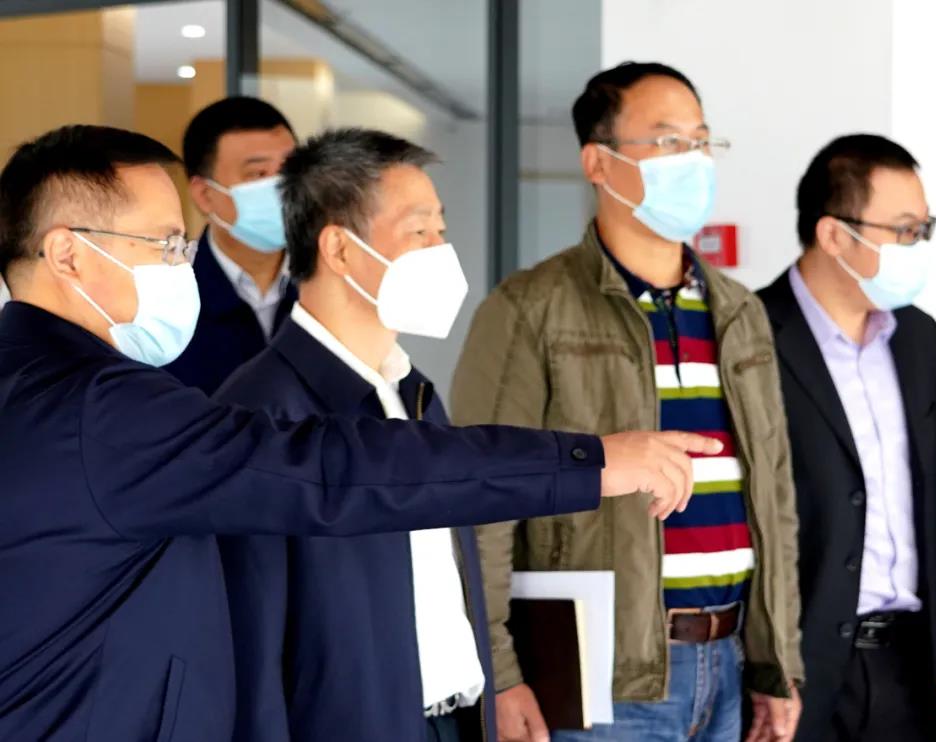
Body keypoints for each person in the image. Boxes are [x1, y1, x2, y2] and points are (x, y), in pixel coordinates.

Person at [0, 124, 718, 742]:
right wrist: (591, 461)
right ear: (68, 254)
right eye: (164, 245)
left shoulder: (37, 385)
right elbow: (334, 474)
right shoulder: (102, 406)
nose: (182, 266)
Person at [452, 62, 804, 742]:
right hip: (601, 679)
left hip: (730, 666)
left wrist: (776, 663)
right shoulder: (530, 308)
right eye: (669, 142)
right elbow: (481, 497)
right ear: (598, 162)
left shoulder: (740, 312)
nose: (694, 161)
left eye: (702, 141)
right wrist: (499, 672)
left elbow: (775, 499)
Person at [217, 128, 509, 742]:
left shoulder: (414, 392)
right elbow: (248, 646)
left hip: (454, 720)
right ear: (339, 249)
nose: (441, 251)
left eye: (441, 229)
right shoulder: (262, 413)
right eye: (419, 231)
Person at [757, 134, 936, 742]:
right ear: (834, 235)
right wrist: (763, 664)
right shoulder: (751, 334)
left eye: (923, 230)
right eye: (905, 230)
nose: (918, 247)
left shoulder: (916, 337)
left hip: (906, 659)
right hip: (796, 667)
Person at [164, 97, 297, 394]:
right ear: (205, 195)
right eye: (259, 174)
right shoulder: (169, 305)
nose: (284, 187)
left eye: (291, 168)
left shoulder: (334, 284)